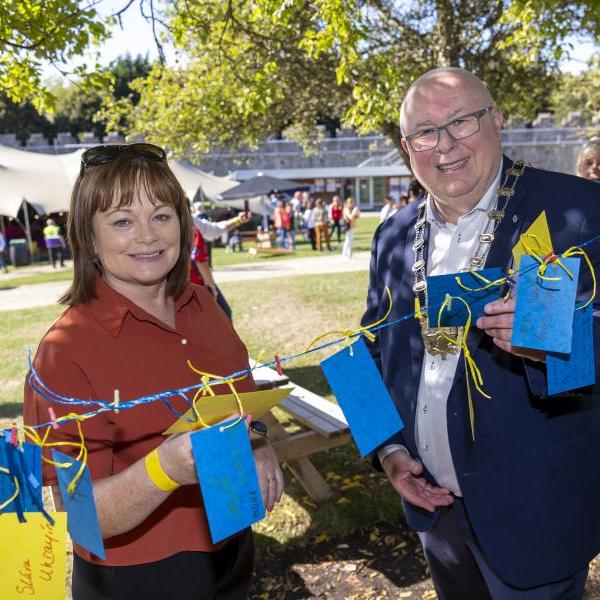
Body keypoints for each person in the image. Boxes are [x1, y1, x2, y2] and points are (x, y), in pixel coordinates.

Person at [362, 67, 600, 598]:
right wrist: (388, 452)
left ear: (495, 119)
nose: (444, 145)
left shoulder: (575, 211)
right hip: (436, 515)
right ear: (407, 148)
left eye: (461, 122)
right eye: (425, 132)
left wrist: (554, 343)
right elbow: (371, 348)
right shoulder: (393, 234)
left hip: (537, 512)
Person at [23, 144, 283, 600]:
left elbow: (244, 402)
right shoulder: (65, 352)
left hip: (231, 549)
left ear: (184, 224)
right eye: (123, 221)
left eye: (162, 215)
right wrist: (164, 469)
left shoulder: (203, 306)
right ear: (88, 236)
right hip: (137, 577)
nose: (147, 235)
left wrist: (259, 437)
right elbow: (80, 514)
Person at [190, 226, 232, 320]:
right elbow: (200, 260)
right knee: (225, 314)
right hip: (197, 286)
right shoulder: (192, 230)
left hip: (178, 287)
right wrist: (211, 287)